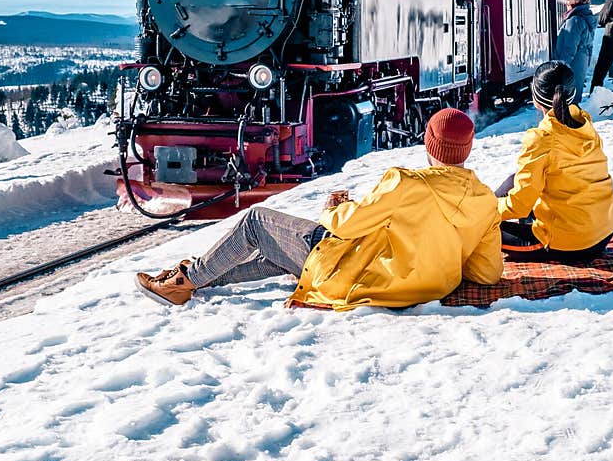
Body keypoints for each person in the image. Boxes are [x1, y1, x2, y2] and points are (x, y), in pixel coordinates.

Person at [136, 108, 503, 310]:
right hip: (426, 286)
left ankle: (187, 281)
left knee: (257, 222)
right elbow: (486, 273)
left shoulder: (406, 183)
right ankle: (194, 277)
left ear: (429, 143)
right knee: (280, 250)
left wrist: (335, 206)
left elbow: (345, 226)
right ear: (468, 148)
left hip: (366, 278)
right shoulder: (486, 200)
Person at [496, 61, 613, 262]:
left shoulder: (542, 138)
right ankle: (484, 206)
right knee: (514, 179)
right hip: (604, 230)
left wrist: (487, 212)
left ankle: (480, 210)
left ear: (535, 98)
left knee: (484, 228)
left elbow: (518, 206)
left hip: (569, 244)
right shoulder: (585, 125)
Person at [552, 0, 596, 104]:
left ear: (574, 1)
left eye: (567, 0)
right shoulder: (586, 18)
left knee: (567, 101)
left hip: (572, 64)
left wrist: (559, 67)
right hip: (581, 62)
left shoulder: (574, 20)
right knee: (575, 98)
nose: (566, 4)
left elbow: (568, 48)